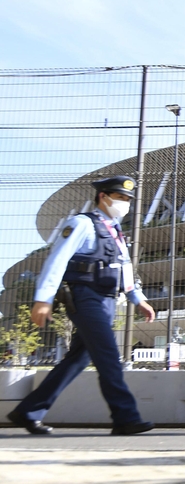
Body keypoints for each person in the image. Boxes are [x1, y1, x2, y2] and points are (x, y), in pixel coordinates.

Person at [6, 176, 156, 435]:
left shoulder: (116, 230)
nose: (125, 204)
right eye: (121, 198)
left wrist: (137, 299)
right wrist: (43, 298)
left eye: (128, 200)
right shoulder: (82, 224)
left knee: (77, 360)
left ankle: (28, 411)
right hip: (86, 298)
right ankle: (125, 417)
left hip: (107, 301)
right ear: (103, 196)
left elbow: (125, 269)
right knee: (108, 356)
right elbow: (58, 259)